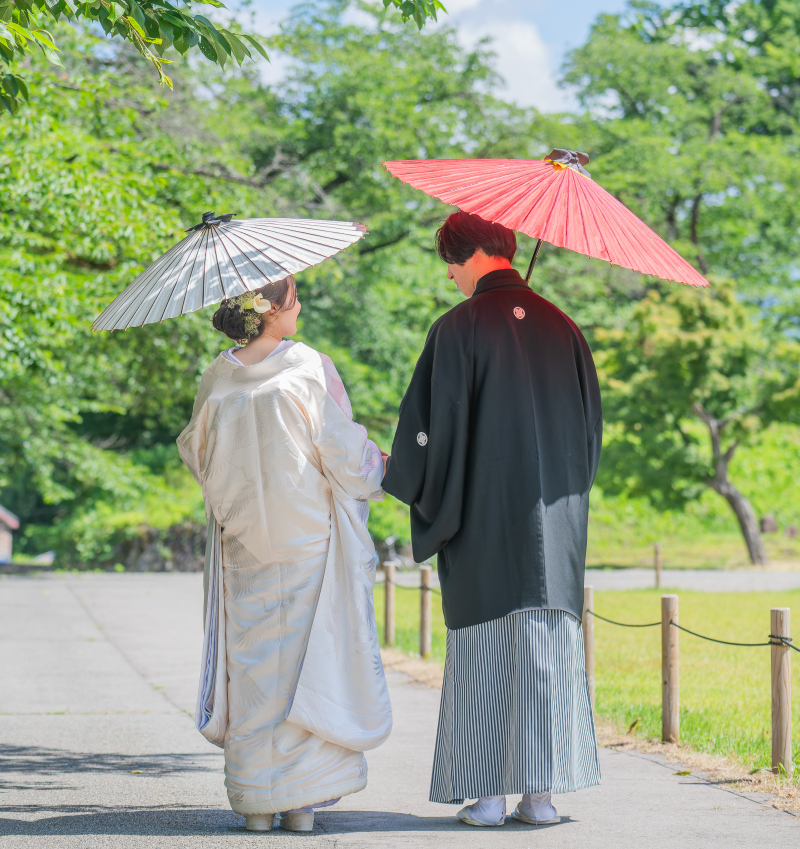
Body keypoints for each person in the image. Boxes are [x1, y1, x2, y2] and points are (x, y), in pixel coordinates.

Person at [382, 211, 602, 828]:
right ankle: (541, 797)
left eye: (449, 262)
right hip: (554, 523)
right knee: (546, 649)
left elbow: (434, 431)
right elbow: (590, 436)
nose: (449, 275)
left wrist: (405, 480)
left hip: (482, 520)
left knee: (485, 652)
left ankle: (485, 797)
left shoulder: (457, 328)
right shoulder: (564, 327)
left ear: (472, 254)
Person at [178, 276, 391, 834]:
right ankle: (302, 805)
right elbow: (344, 454)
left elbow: (198, 453)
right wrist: (386, 469)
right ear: (271, 309)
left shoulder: (218, 373)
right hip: (308, 541)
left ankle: (255, 803)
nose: (301, 306)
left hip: (244, 542)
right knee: (308, 661)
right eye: (294, 298)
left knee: (254, 668)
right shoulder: (308, 366)